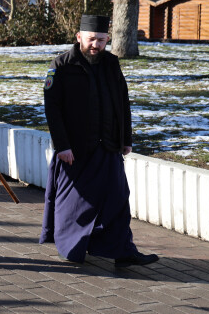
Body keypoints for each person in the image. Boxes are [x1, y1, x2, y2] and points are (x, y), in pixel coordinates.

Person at [40, 15, 159, 268]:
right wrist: (62, 146)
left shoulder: (111, 64)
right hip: (76, 150)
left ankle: (123, 251)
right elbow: (53, 109)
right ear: (79, 37)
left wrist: (126, 138)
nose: (96, 45)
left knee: (118, 198)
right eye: (91, 39)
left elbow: (122, 102)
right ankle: (71, 247)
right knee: (74, 205)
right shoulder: (61, 66)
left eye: (101, 40)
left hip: (108, 147)